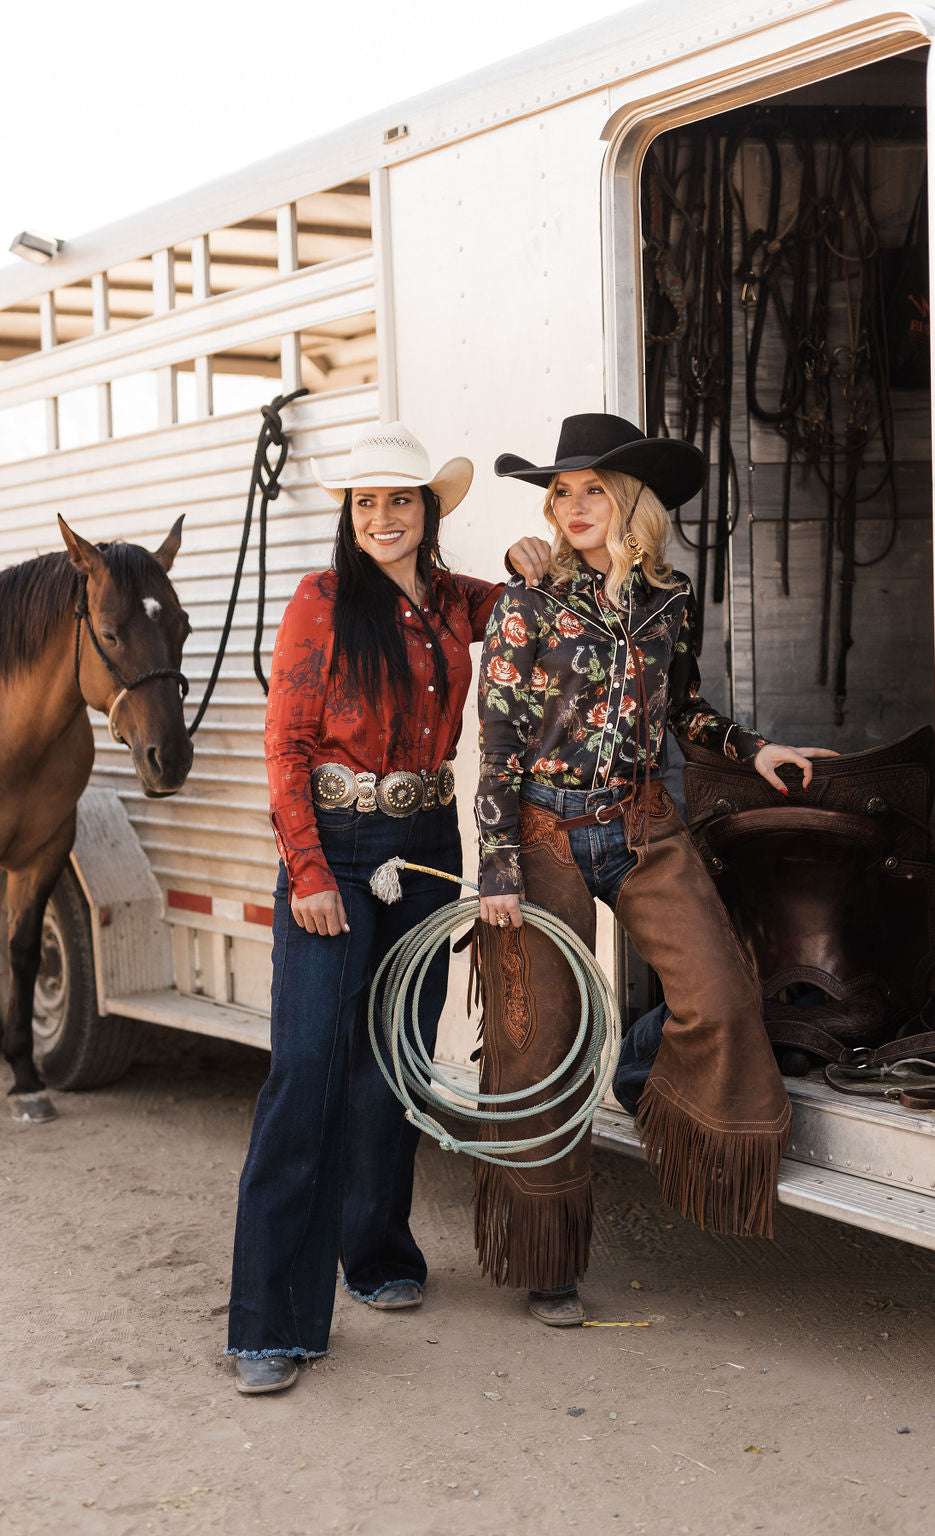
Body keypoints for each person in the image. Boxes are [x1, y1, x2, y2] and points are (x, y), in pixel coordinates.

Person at [473, 413, 836, 1326]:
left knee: (718, 994)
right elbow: (499, 745)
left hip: (641, 822)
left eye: (594, 488)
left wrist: (748, 747)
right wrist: (498, 866)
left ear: (631, 501)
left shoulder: (671, 599)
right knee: (535, 1044)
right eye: (562, 491)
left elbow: (682, 704)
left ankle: (639, 1081)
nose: (574, 505)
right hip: (544, 828)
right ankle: (548, 1263)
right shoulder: (525, 603)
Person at [227, 422, 548, 1393]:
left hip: (425, 843)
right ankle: (269, 1324)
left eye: (400, 500)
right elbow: (284, 748)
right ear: (349, 515)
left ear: (428, 510)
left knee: (394, 1061)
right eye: (366, 503)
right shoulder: (320, 603)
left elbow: (533, 608)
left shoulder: (456, 601)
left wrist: (531, 558)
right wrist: (309, 872)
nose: (382, 517)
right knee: (310, 1067)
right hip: (336, 842)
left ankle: (375, 1256)